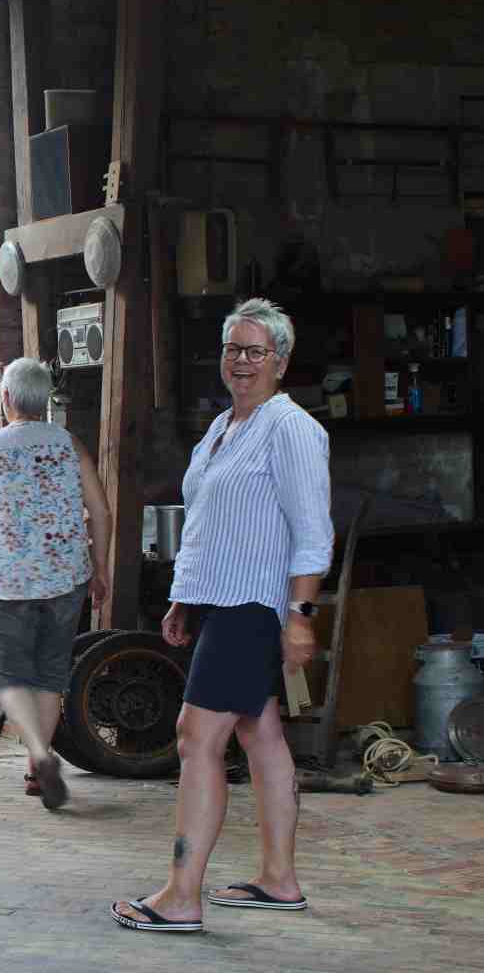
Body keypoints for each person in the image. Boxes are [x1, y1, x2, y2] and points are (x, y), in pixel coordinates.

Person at [112, 299, 331, 933]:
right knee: (258, 734)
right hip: (222, 603)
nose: (240, 360)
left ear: (280, 362)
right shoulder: (224, 428)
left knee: (194, 737)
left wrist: (301, 614)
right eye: (233, 348)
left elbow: (314, 532)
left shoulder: (290, 429)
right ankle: (279, 881)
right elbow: (211, 524)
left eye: (255, 351)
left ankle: (182, 896)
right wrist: (185, 597)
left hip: (254, 608)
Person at [0, 357, 110, 809]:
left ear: (6, 398)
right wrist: (100, 567)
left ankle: (37, 755)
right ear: (45, 398)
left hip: (8, 578)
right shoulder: (69, 444)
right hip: (65, 576)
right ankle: (39, 760)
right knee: (51, 674)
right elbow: (102, 511)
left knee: (11, 676)